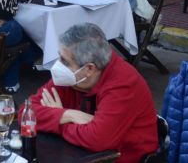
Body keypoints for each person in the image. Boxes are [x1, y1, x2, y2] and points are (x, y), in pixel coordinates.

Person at [29, 23, 158, 162]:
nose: (58, 66)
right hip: (79, 153)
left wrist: (56, 121)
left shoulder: (123, 83)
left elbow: (98, 140)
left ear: (89, 68)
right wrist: (68, 114)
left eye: (64, 61)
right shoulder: (71, 77)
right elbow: (26, 113)